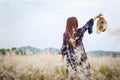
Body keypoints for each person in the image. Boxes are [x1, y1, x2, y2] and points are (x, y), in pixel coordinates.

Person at [60, 13, 103, 80]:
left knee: (71, 76)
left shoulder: (65, 35)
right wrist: (96, 16)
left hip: (70, 60)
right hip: (82, 58)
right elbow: (88, 24)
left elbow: (63, 47)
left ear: (67, 25)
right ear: (76, 23)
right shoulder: (79, 31)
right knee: (85, 76)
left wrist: (62, 58)